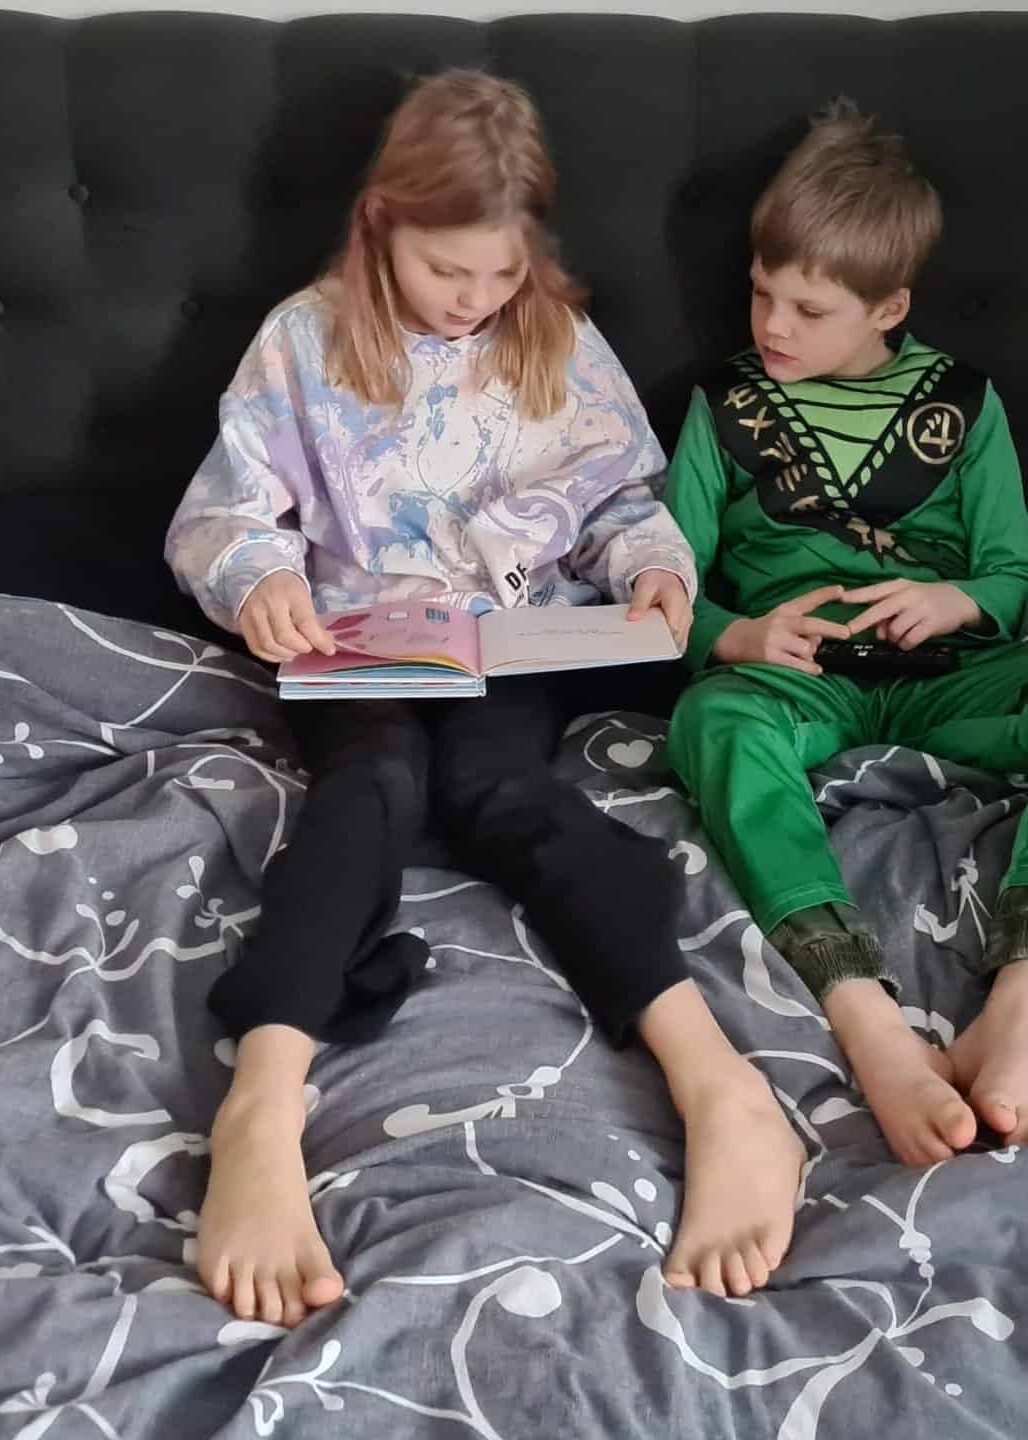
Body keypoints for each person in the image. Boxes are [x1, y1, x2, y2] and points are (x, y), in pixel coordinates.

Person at [166, 70, 804, 1323]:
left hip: (510, 642)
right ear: (380, 223)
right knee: (372, 784)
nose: (473, 297)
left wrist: (653, 569)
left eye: (499, 272)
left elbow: (622, 502)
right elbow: (226, 513)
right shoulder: (303, 340)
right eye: (446, 269)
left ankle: (720, 1084)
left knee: (499, 786)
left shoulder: (553, 337)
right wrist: (261, 583)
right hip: (355, 644)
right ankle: (262, 1102)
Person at [663, 101, 1028, 1173]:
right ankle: (866, 1018)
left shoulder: (964, 407)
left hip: (946, 675)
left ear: (888, 307)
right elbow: (663, 588)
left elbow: (1012, 575)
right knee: (711, 721)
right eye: (760, 292)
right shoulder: (723, 406)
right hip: (801, 679)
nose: (773, 326)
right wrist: (736, 634)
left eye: (809, 308)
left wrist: (956, 602)